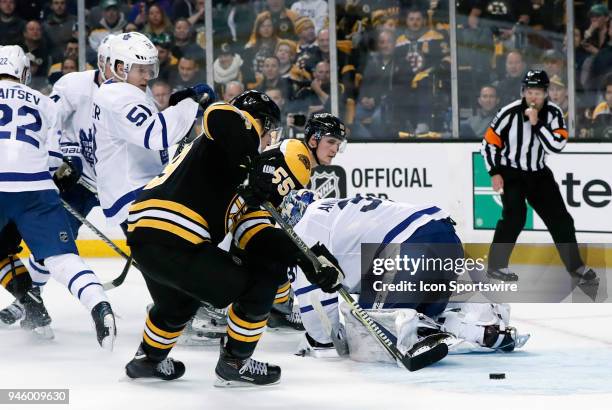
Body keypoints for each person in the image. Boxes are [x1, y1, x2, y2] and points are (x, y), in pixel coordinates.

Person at [123, 90, 343, 385]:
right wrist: (251, 165)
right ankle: (235, 362)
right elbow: (219, 113)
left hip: (147, 238)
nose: (269, 140)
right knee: (261, 281)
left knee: (179, 304)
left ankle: (147, 360)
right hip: (175, 235)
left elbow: (255, 234)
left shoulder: (238, 171)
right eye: (269, 131)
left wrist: (306, 259)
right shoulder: (237, 137)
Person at [278, 191, 485, 361]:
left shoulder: (304, 228)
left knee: (368, 337)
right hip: (447, 237)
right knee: (424, 320)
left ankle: (417, 333)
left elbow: (317, 309)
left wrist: (318, 340)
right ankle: (481, 331)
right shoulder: (337, 209)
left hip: (409, 248)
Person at [0, 45, 116, 349]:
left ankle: (30, 303)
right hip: (35, 188)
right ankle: (98, 305)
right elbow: (54, 160)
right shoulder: (42, 101)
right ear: (24, 73)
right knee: (62, 257)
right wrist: (63, 176)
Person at [481, 70, 599, 285]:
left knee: (561, 220)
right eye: (529, 91)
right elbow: (489, 143)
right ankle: (496, 267)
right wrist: (494, 172)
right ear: (523, 91)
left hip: (538, 173)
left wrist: (537, 124)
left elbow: (557, 145)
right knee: (514, 217)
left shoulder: (553, 113)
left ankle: (576, 267)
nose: (532, 96)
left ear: (546, 93)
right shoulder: (508, 112)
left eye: (537, 92)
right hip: (512, 172)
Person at [91, 32, 205, 228]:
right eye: (141, 70)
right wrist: (190, 105)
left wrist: (175, 105)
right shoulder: (118, 98)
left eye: (149, 69)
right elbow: (155, 134)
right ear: (120, 68)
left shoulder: (124, 88)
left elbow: (148, 121)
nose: (147, 76)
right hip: (131, 190)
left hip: (140, 184)